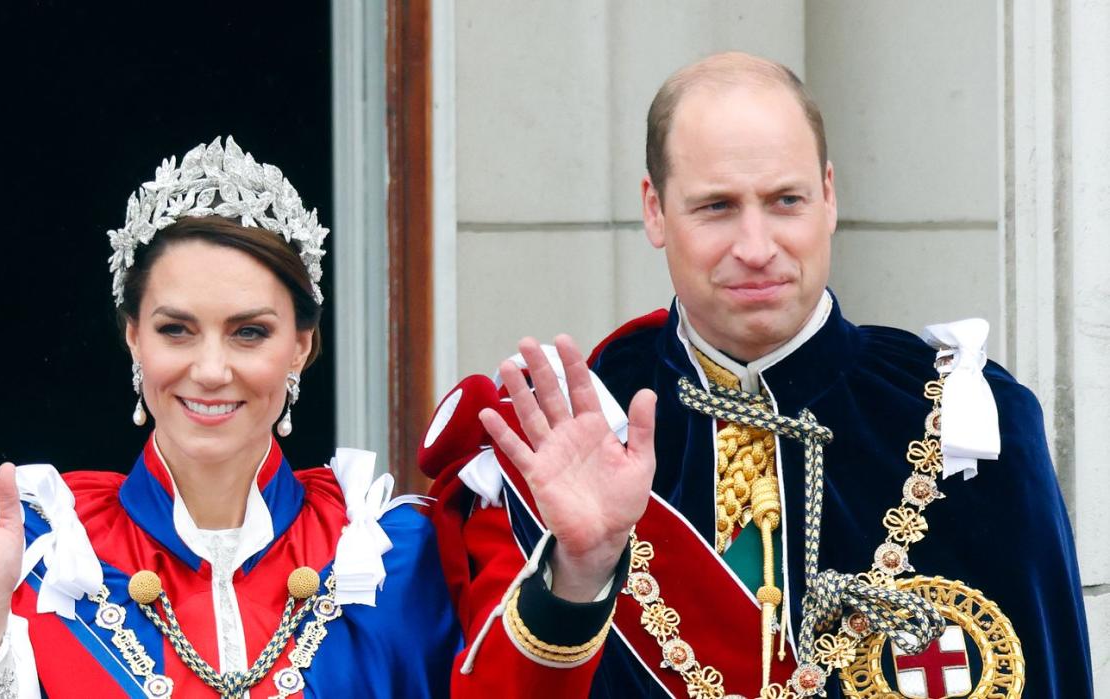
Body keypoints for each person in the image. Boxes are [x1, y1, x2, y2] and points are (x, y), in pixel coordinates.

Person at [418, 53, 1093, 698]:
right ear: (655, 209)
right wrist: (579, 570)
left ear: (828, 195)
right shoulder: (576, 427)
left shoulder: (962, 421)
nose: (756, 246)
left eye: (785, 201)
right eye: (716, 206)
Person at [0, 136, 461, 698]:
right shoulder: (38, 564)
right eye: (176, 330)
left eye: (249, 333)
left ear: (301, 347)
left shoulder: (388, 558)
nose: (211, 370)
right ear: (135, 338)